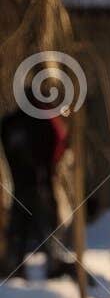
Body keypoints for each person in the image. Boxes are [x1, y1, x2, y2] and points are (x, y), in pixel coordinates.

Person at [1, 104, 72, 280]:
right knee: (45, 225)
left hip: (20, 182)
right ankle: (51, 264)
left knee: (20, 227)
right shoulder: (45, 119)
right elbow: (59, 141)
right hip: (39, 182)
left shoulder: (11, 122)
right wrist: (50, 167)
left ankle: (14, 264)